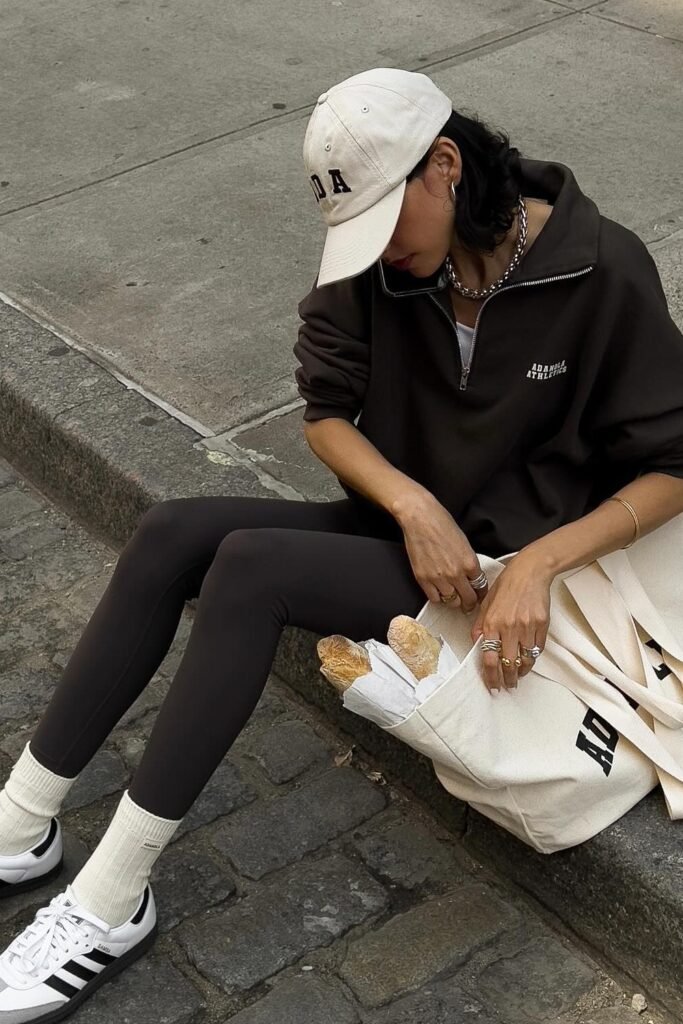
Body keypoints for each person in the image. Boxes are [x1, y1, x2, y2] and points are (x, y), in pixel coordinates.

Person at [0, 66, 682, 1023]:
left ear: (444, 166)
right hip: (408, 540)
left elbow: (670, 464)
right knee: (168, 533)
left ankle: (112, 901)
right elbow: (326, 414)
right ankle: (22, 821)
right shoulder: (378, 265)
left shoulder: (597, 266)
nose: (375, 253)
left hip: (510, 575)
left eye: (385, 223)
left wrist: (536, 562)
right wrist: (409, 504)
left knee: (250, 567)